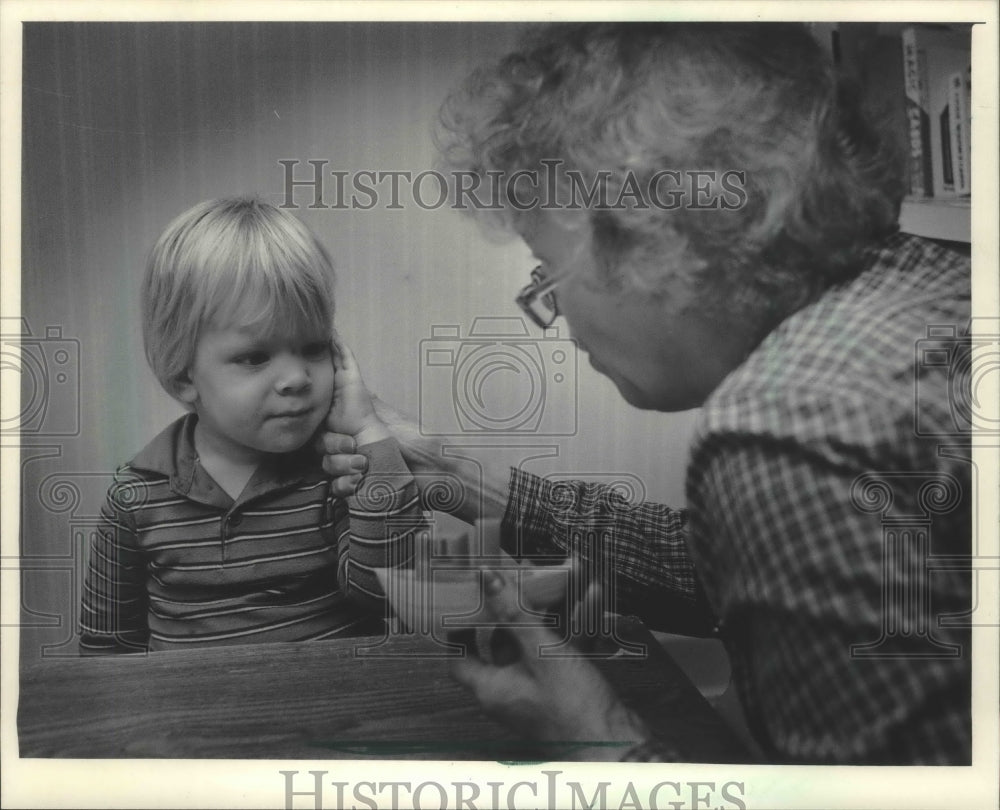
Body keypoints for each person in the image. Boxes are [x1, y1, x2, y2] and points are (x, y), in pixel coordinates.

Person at [321, 23, 972, 764]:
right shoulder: (930, 289)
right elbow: (720, 564)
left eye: (548, 271)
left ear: (660, 240)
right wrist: (454, 471)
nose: (551, 312)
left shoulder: (786, 427)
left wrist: (601, 740)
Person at [79, 197, 423, 653]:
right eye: (255, 357)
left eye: (314, 348)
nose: (298, 378)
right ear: (184, 375)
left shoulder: (339, 470)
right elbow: (107, 648)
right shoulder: (136, 496)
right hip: (191, 723)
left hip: (336, 718)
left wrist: (370, 433)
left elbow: (389, 596)